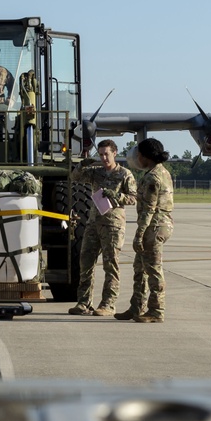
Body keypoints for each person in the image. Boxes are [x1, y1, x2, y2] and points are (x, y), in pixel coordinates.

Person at [68, 139, 137, 316]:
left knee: (110, 264)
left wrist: (117, 196)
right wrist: (81, 164)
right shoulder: (95, 173)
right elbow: (74, 178)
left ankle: (108, 304)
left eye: (107, 154)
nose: (104, 158)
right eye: (101, 154)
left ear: (115, 153)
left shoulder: (124, 174)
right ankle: (83, 303)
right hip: (93, 223)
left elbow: (133, 197)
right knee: (86, 263)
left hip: (113, 225)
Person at [115, 138, 174, 323]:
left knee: (153, 269)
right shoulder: (162, 172)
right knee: (139, 268)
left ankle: (156, 311)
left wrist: (139, 235)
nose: (137, 158)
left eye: (139, 154)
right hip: (159, 223)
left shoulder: (152, 177)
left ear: (147, 156)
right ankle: (136, 308)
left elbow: (149, 208)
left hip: (154, 226)